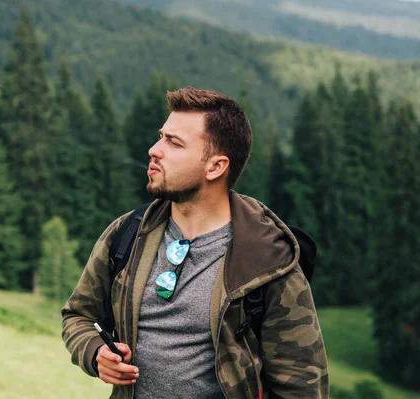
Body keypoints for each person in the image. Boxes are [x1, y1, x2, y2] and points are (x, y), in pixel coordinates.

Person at [62, 87, 329, 398]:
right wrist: (95, 353)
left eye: (173, 143)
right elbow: (78, 315)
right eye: (161, 136)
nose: (154, 149)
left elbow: (302, 386)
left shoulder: (269, 261)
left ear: (215, 167)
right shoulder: (127, 235)